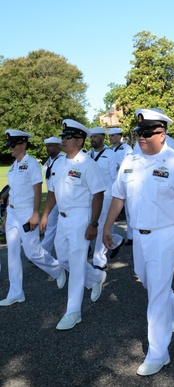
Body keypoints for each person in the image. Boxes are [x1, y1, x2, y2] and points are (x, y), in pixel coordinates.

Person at [103, 108, 174, 376]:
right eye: (139, 133)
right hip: (139, 237)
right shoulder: (130, 160)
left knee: (156, 296)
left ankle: (158, 353)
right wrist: (107, 225)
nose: (142, 138)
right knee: (148, 283)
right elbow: (117, 197)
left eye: (148, 133)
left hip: (166, 235)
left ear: (163, 134)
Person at [40, 119, 107, 330]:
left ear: (79, 140)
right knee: (63, 258)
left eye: (67, 137)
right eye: (62, 136)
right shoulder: (59, 163)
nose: (63, 140)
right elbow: (52, 191)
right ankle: (96, 276)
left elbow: (98, 195)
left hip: (80, 217)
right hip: (62, 218)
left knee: (76, 265)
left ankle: (73, 311)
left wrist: (93, 223)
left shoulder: (87, 164)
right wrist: (44, 215)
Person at [0, 129, 66, 307]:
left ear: (23, 144)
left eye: (13, 145)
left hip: (27, 213)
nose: (10, 149)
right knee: (12, 254)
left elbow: (38, 190)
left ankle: (57, 268)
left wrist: (36, 213)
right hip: (13, 213)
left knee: (32, 251)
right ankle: (16, 293)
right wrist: (6, 215)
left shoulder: (32, 165)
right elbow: (11, 193)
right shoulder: (14, 166)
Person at [88, 127, 124, 269]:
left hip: (106, 196)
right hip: (90, 197)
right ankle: (116, 240)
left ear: (102, 138)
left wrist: (117, 199)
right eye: (91, 137)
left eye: (95, 137)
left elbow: (116, 178)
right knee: (90, 224)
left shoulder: (110, 155)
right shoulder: (87, 155)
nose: (92, 140)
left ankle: (99, 260)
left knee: (102, 226)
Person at [108, 127, 133, 246]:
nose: (111, 138)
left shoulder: (126, 148)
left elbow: (129, 165)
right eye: (109, 136)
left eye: (113, 135)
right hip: (112, 183)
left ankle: (131, 236)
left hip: (125, 181)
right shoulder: (109, 150)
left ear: (119, 136)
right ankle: (110, 235)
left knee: (129, 210)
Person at [40, 136, 63, 254]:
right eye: (47, 146)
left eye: (50, 146)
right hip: (52, 197)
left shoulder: (62, 161)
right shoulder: (47, 162)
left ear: (58, 146)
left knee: (62, 227)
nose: (47, 148)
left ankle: (43, 251)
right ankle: (44, 251)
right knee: (51, 224)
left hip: (62, 197)